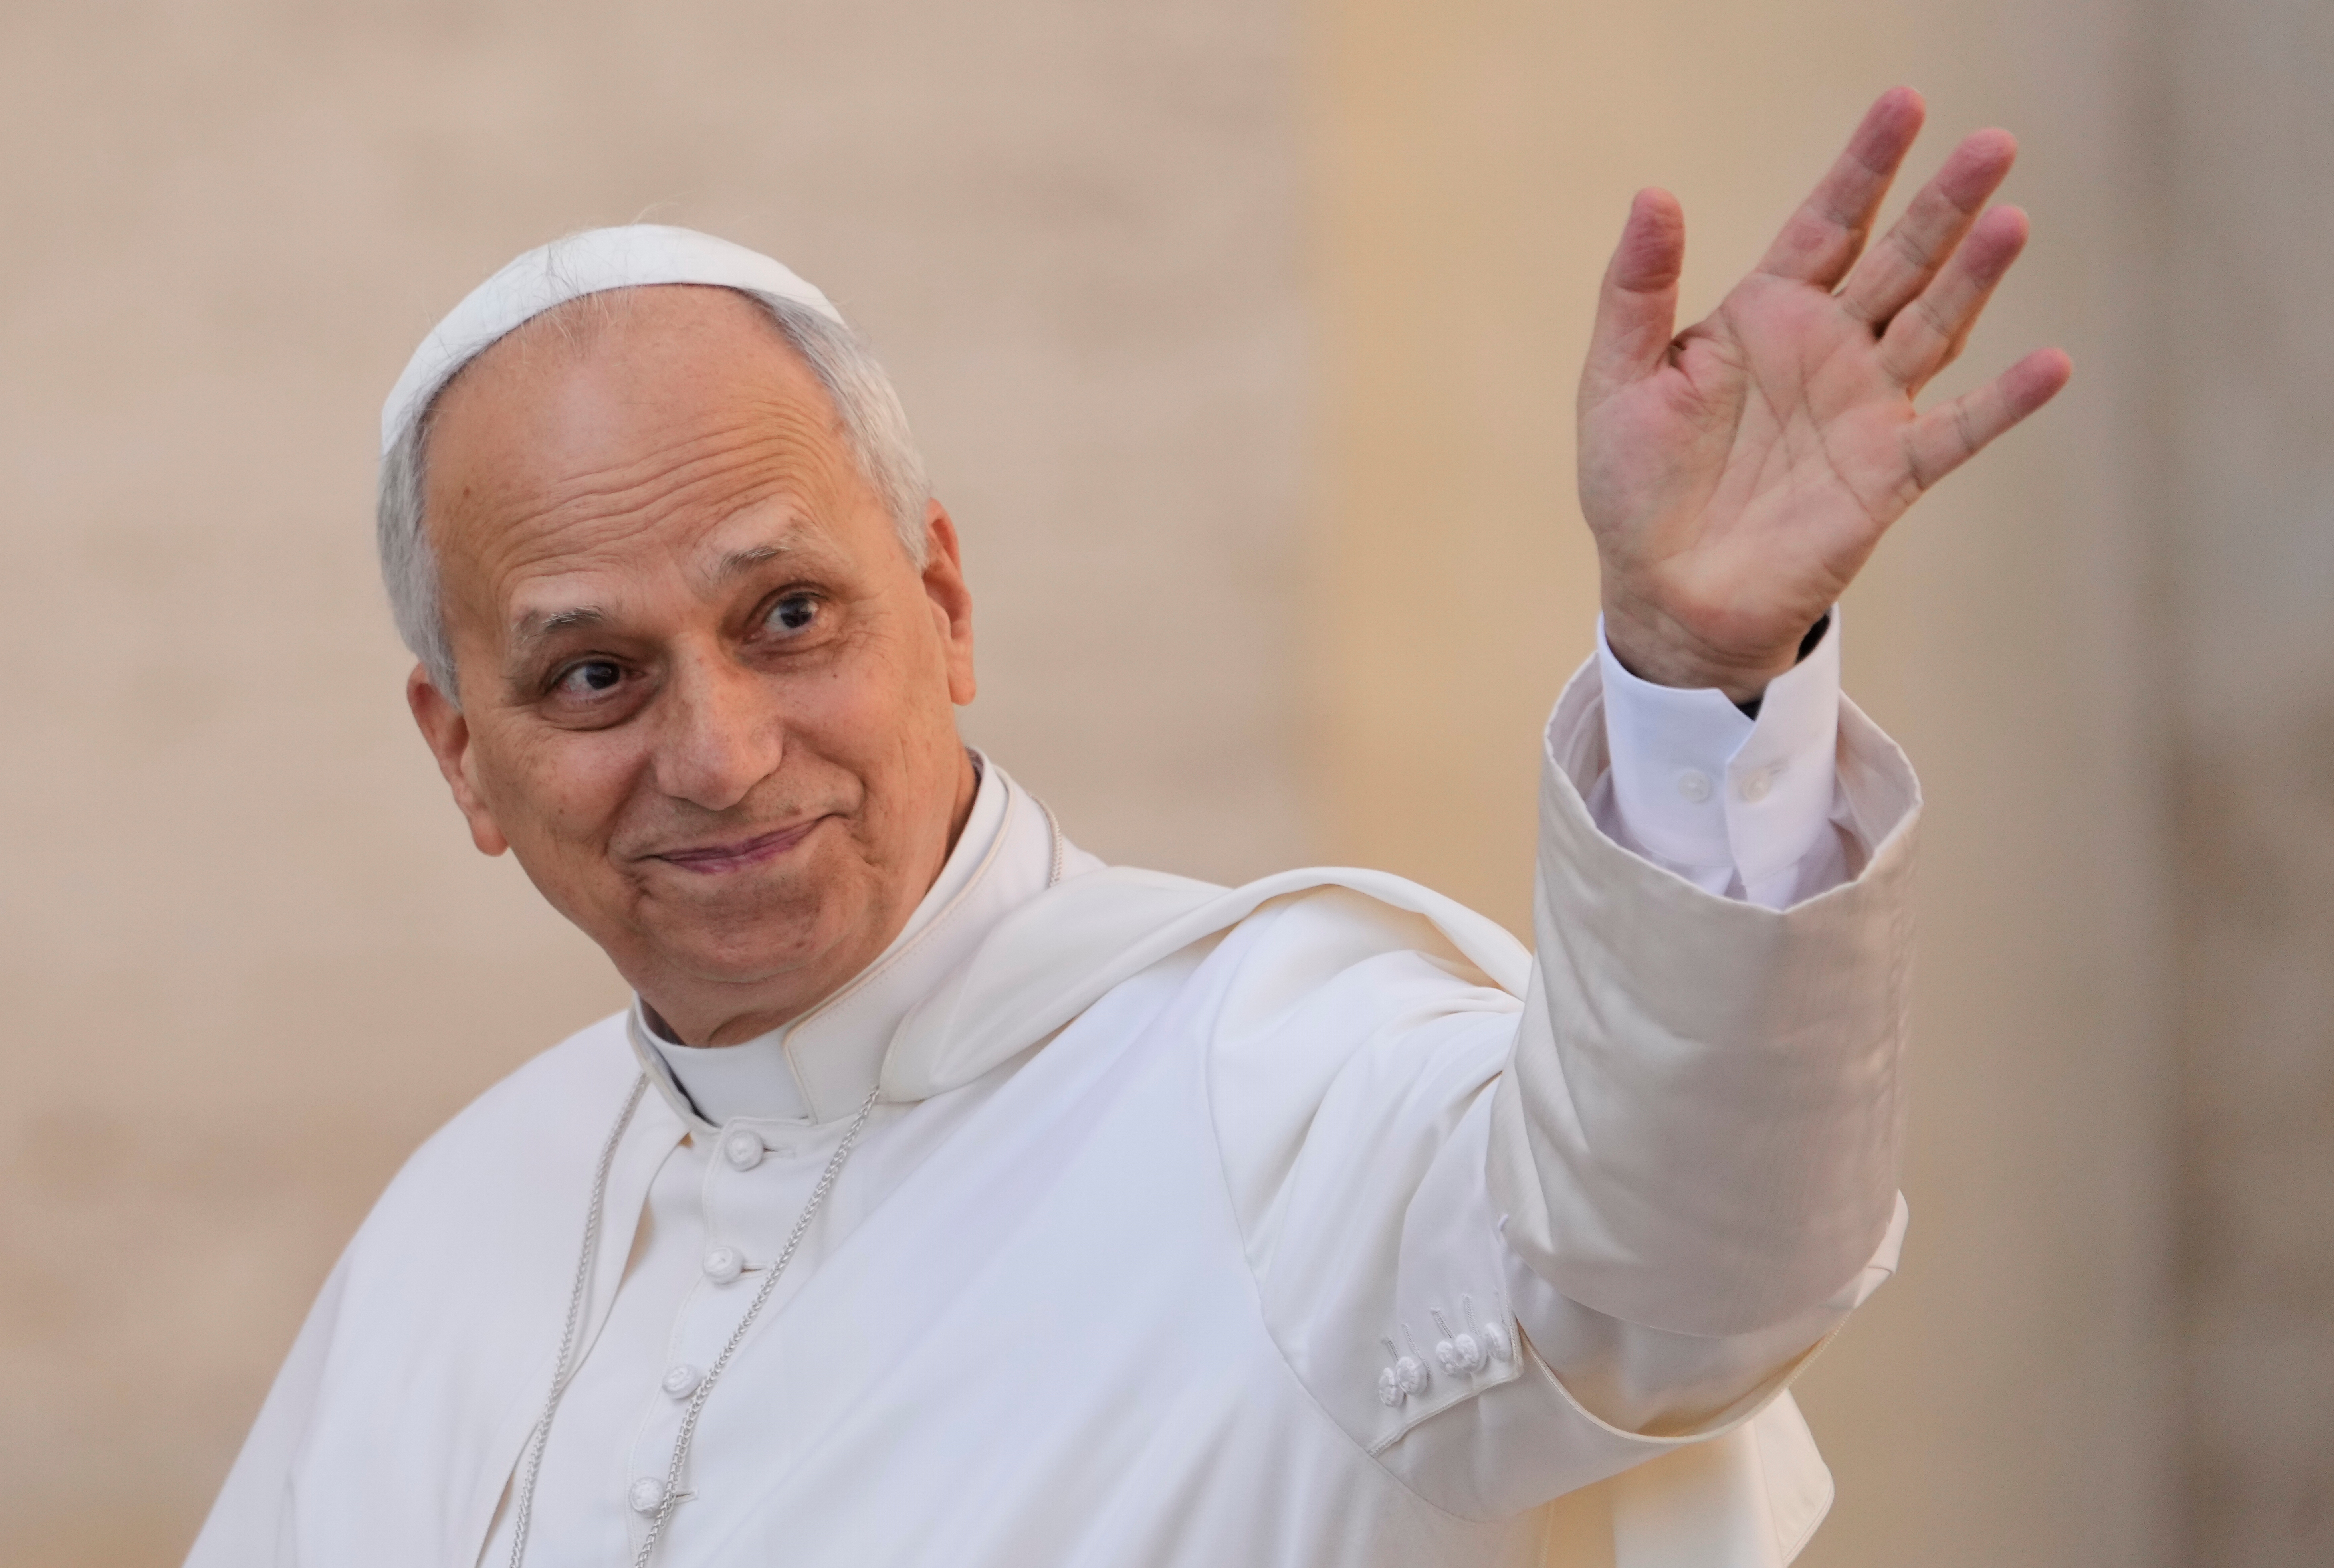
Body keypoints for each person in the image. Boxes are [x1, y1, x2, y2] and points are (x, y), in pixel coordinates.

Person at [186, 87, 2068, 1568]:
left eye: (788, 617)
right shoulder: (455, 1225)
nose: (723, 753)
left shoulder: (1282, 1075)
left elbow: (1672, 1271)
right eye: (594, 676)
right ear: (461, 758)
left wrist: (1697, 668)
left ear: (945, 602)